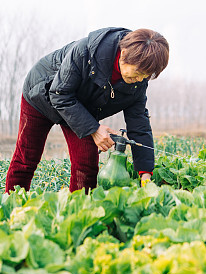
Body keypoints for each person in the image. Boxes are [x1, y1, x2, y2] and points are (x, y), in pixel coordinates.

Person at [5, 27, 169, 193]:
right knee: (27, 158)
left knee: (86, 164)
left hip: (78, 106)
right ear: (124, 54)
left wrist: (145, 172)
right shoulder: (86, 52)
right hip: (41, 95)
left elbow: (139, 123)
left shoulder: (138, 81)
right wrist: (94, 129)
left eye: (146, 76)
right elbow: (59, 93)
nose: (140, 79)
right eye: (139, 73)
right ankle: (12, 206)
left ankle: (79, 213)